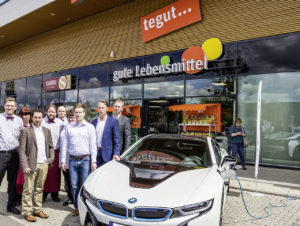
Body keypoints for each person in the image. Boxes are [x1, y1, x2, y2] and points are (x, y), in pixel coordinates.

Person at [61, 103, 97, 216]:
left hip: (86, 160)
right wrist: (63, 160)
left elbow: (93, 145)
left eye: (80, 112)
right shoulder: (69, 127)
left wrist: (94, 161)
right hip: (72, 160)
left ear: (84, 113)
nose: (77, 114)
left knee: (84, 186)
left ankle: (85, 208)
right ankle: (77, 207)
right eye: (76, 112)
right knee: (74, 186)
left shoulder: (90, 127)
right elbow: (65, 145)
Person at [19, 109, 54, 222]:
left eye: (39, 117)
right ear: (32, 118)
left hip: (43, 164)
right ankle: (27, 212)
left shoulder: (47, 131)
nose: (37, 119)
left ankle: (37, 209)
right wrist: (25, 166)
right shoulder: (26, 131)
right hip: (30, 165)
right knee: (28, 190)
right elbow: (22, 151)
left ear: (42, 118)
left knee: (39, 189)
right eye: (35, 117)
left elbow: (50, 147)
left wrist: (50, 159)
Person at [0, 97, 23, 215]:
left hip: (14, 154)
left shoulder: (19, 121)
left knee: (12, 182)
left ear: (15, 107)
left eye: (12, 105)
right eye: (7, 105)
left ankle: (10, 206)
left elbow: (22, 138)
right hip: (1, 155)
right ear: (4, 106)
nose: (9, 107)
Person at [42, 104, 64, 202]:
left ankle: (55, 193)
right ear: (47, 112)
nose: (51, 113)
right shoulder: (42, 122)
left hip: (56, 151)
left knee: (56, 174)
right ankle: (44, 193)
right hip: (45, 151)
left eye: (53, 112)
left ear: (56, 113)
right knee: (44, 173)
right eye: (50, 111)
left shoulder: (61, 123)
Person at [91, 100, 121, 167]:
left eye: (103, 108)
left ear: (107, 109)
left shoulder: (113, 121)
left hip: (108, 154)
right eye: (99, 108)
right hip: (95, 153)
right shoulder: (94, 122)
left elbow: (117, 139)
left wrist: (116, 153)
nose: (101, 109)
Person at [15, 107, 32, 206]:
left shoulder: (32, 127)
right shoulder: (18, 126)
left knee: (26, 178)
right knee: (17, 177)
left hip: (28, 155)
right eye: (24, 115)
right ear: (20, 116)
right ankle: (15, 196)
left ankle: (23, 196)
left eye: (28, 115)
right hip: (17, 154)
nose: (26, 117)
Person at [59, 109, 75, 206]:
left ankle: (75, 199)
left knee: (74, 181)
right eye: (68, 117)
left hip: (73, 158)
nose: (70, 119)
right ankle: (70, 198)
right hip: (64, 159)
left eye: (72, 117)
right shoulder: (64, 127)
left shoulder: (77, 128)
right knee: (67, 180)